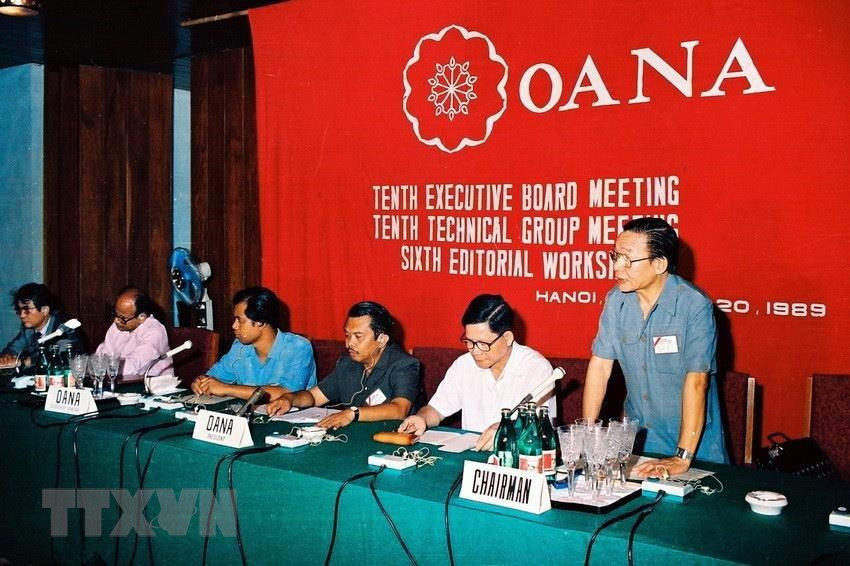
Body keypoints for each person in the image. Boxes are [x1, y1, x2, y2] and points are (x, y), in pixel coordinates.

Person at [582, 217, 728, 477]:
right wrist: (587, 436)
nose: (617, 266)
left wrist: (682, 458)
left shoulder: (694, 305)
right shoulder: (616, 301)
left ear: (659, 264)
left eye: (627, 259)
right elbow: (600, 367)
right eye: (615, 256)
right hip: (640, 446)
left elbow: (697, 382)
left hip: (696, 450)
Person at [398, 294, 556, 451]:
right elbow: (436, 410)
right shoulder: (464, 365)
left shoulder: (537, 369)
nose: (474, 351)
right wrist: (421, 418)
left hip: (518, 460)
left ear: (507, 338)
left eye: (482, 344)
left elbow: (539, 431)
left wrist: (507, 431)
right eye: (469, 342)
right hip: (473, 458)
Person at [265, 301, 420, 430]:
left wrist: (352, 413)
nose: (349, 343)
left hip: (391, 437)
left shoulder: (404, 365)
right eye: (347, 335)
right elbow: (313, 396)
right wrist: (290, 398)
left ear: (382, 340)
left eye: (358, 336)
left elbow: (400, 409)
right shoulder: (347, 363)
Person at [191, 287, 316, 400]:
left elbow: (288, 393)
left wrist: (226, 389)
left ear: (260, 322)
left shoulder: (298, 347)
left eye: (240, 320)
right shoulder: (239, 346)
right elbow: (214, 377)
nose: (234, 326)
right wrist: (202, 382)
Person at [0, 283, 84, 366]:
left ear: (45, 310)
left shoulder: (65, 328)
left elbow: (58, 358)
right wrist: (6, 357)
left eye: (26, 309)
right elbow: (12, 349)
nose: (22, 315)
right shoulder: (28, 329)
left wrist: (21, 362)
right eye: (19, 310)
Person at [95, 287, 172, 376]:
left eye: (122, 318)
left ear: (141, 317)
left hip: (153, 386)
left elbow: (134, 367)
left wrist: (102, 367)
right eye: (115, 314)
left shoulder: (155, 331)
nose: (116, 321)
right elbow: (102, 355)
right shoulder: (119, 325)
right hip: (121, 382)